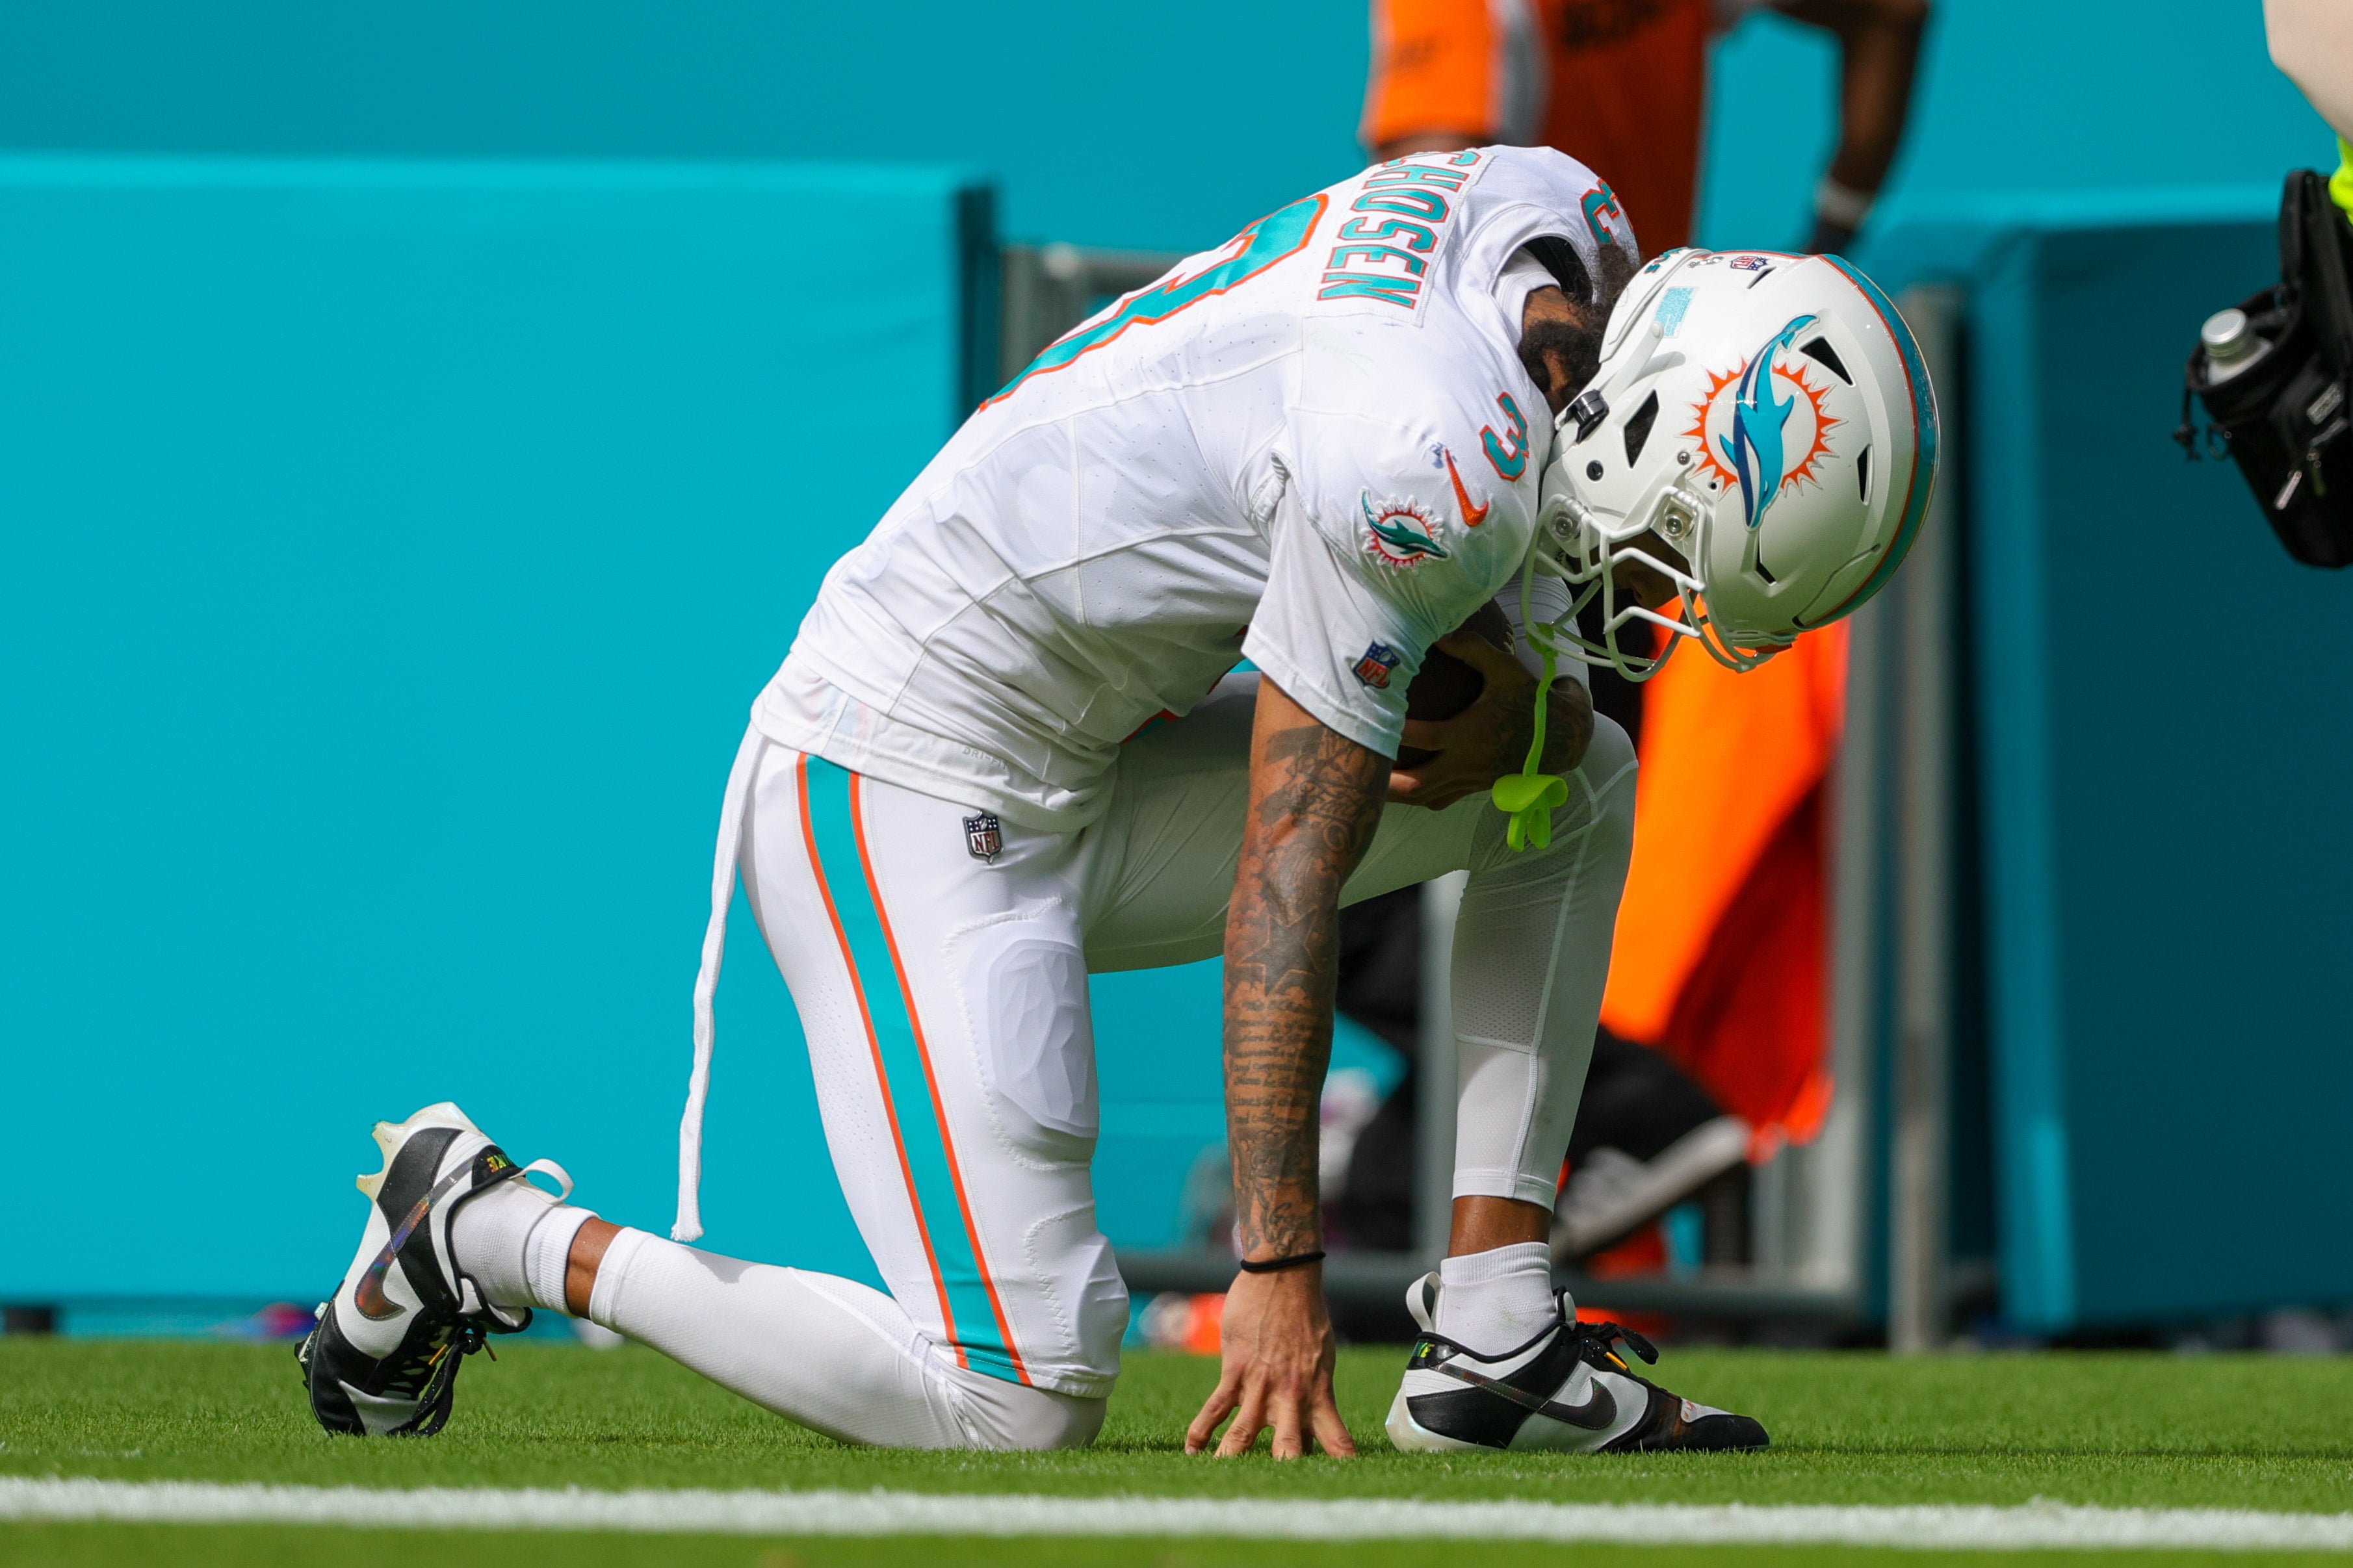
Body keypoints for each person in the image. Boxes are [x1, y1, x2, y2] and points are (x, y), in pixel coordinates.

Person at [298, 145, 1933, 1456]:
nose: (1648, 608)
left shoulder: (1556, 219)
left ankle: (1495, 1326)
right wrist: (1278, 1274)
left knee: (1569, 764)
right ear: (1642, 430)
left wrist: (1511, 667)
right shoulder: (1423, 463)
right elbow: (1289, 874)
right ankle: (483, 1227)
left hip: (1076, 740)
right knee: (1020, 1391)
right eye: (1663, 562)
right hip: (896, 771)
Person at [1362, 0, 1930, 255]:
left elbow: (1422, 215)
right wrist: (1829, 240)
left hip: (1529, 407)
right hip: (1652, 372)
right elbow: (1895, 13)